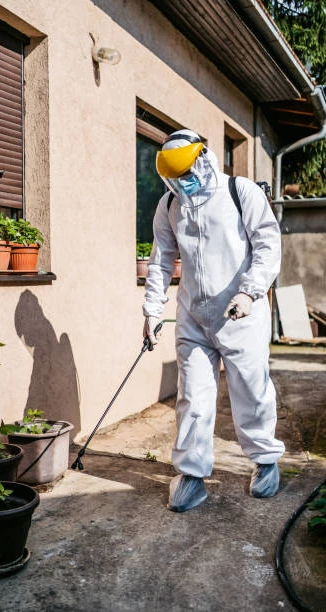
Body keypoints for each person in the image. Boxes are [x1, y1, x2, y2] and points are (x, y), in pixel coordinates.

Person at [142, 129, 285, 513]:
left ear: (203, 159)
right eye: (175, 178)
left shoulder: (240, 192)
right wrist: (152, 309)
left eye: (187, 174)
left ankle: (265, 461)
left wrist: (250, 292)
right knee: (193, 397)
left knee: (251, 391)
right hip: (194, 317)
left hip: (240, 313)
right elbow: (160, 260)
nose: (183, 183)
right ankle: (191, 475)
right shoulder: (170, 205)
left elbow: (268, 245)